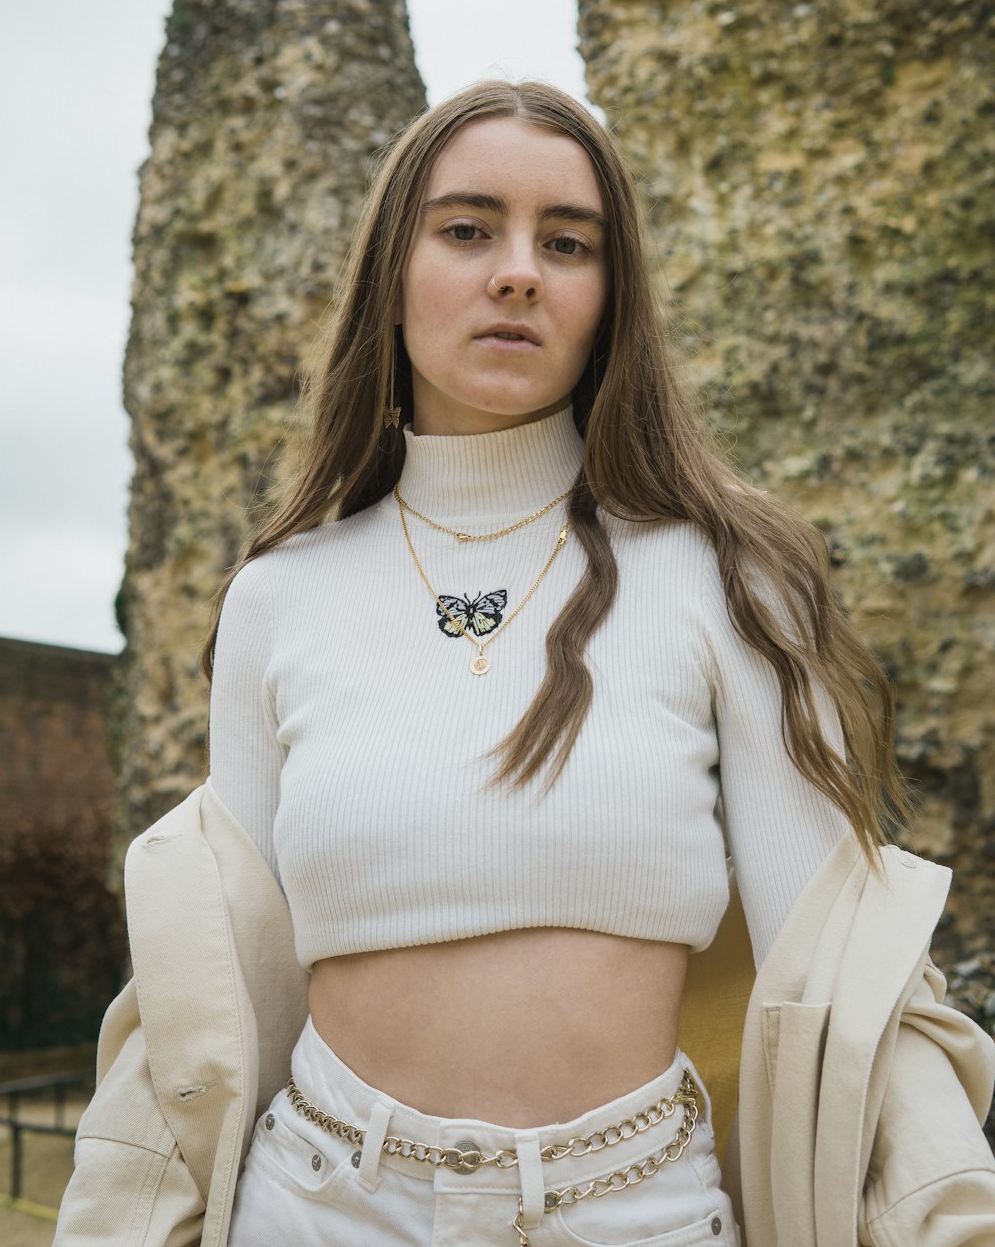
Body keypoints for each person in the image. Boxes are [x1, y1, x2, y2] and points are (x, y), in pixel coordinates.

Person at [57, 80, 995, 1247]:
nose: (518, 272)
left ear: (610, 298)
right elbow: (217, 987)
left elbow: (848, 975)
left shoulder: (729, 575)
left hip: (631, 1210)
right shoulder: (277, 597)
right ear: (390, 278)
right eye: (466, 229)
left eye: (567, 243)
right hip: (318, 1203)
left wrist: (946, 1216)